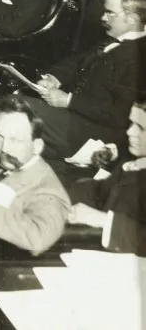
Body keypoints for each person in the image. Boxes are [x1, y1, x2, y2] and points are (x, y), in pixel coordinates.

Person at [0, 0, 146, 166]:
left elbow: (120, 114)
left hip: (97, 132)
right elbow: (75, 62)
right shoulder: (114, 40)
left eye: (110, 13)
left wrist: (68, 100)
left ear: (132, 19)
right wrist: (54, 77)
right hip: (78, 118)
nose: (103, 18)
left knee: (16, 106)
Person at [0, 96, 71, 254]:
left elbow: (39, 238)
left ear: (37, 146)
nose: (4, 149)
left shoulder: (47, 191)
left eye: (15, 140)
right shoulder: (7, 166)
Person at [67, 99, 146, 252]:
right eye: (131, 123)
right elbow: (99, 191)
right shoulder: (134, 164)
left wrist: (102, 220)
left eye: (141, 128)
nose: (130, 132)